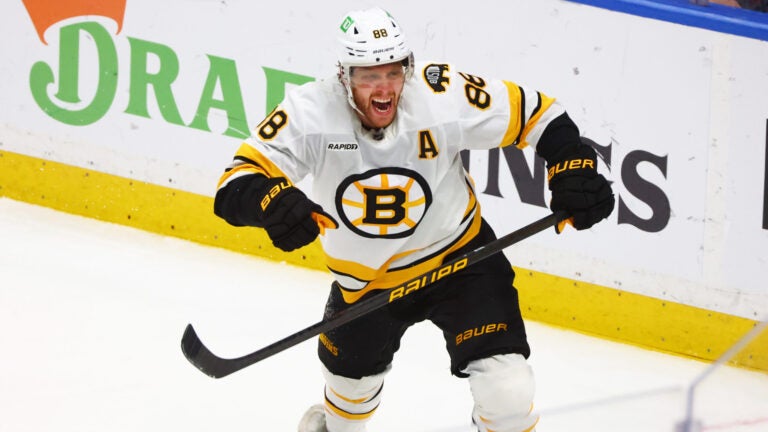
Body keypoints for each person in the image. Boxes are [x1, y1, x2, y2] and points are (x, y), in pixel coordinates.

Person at [213, 7, 614, 432]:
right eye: (368, 75)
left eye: (393, 72)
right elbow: (235, 182)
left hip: (461, 260)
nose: (384, 88)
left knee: (509, 392)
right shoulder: (309, 110)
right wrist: (272, 201)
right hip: (365, 283)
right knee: (346, 416)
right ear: (344, 75)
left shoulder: (440, 91)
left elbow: (538, 114)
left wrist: (572, 164)